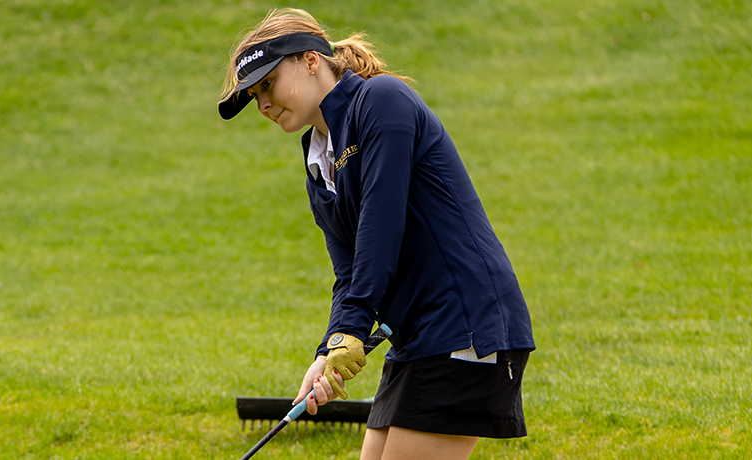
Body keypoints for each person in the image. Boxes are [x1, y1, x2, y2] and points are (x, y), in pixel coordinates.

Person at [217, 9, 537, 460]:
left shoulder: (381, 100)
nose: (263, 105)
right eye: (254, 96)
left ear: (311, 59)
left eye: (268, 84)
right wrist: (328, 350)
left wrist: (351, 330)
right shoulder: (316, 159)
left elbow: (380, 228)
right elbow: (348, 272)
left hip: (465, 324)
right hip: (417, 338)